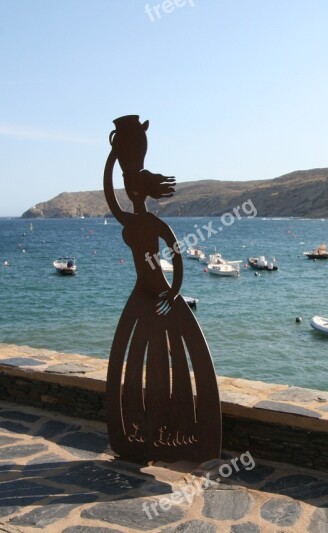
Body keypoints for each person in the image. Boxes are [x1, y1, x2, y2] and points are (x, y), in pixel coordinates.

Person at [104, 115, 221, 463]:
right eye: (133, 189)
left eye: (135, 189)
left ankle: (178, 435)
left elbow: (177, 254)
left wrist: (174, 292)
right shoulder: (135, 219)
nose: (131, 194)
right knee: (149, 356)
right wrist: (115, 152)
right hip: (147, 294)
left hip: (156, 293)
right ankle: (143, 436)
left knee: (160, 358)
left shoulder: (149, 222)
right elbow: (110, 193)